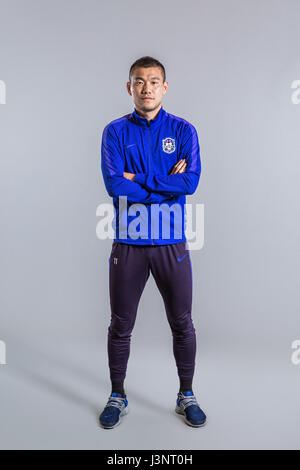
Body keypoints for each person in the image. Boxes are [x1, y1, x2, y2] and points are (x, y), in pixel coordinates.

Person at [99, 56, 206, 429]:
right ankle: (117, 394)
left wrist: (139, 179)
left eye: (154, 81)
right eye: (139, 82)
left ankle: (186, 394)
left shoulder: (183, 130)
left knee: (182, 323)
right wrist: (163, 180)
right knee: (120, 324)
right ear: (130, 87)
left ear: (164, 87)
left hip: (171, 243)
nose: (147, 88)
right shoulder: (114, 133)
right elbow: (115, 186)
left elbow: (189, 184)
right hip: (128, 243)